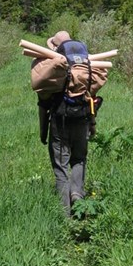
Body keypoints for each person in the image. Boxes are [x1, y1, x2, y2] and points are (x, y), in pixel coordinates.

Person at [38, 30, 96, 215]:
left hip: (60, 119)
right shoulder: (85, 66)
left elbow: (43, 103)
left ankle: (65, 214)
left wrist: (42, 131)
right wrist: (93, 124)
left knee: (60, 165)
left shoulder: (53, 69)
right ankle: (77, 194)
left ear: (54, 48)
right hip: (83, 118)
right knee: (79, 158)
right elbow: (92, 99)